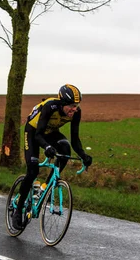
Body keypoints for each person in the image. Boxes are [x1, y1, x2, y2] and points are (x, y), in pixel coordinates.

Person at [11, 84, 93, 230]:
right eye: (71, 106)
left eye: (77, 105)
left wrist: (83, 155)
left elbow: (75, 139)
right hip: (33, 132)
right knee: (33, 170)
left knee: (65, 148)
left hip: (51, 132)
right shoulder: (50, 106)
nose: (74, 109)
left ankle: (46, 187)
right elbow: (38, 135)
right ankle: (18, 210)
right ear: (62, 103)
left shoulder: (76, 113)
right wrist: (47, 147)